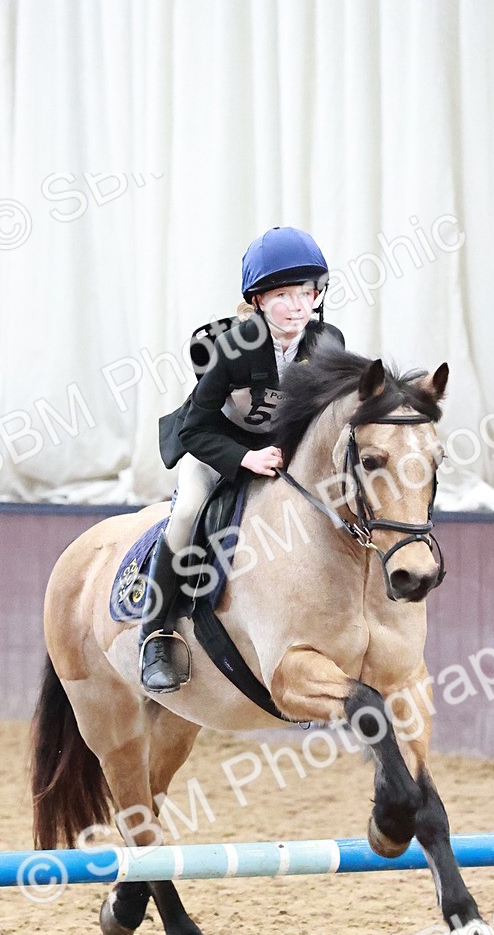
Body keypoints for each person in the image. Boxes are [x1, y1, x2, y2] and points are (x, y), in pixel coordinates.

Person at [140, 225, 346, 693]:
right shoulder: (232, 348)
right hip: (218, 448)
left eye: (307, 293)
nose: (298, 306)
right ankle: (156, 633)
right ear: (257, 300)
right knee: (186, 513)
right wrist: (245, 458)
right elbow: (194, 428)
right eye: (283, 295)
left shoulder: (327, 343)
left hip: (283, 455)